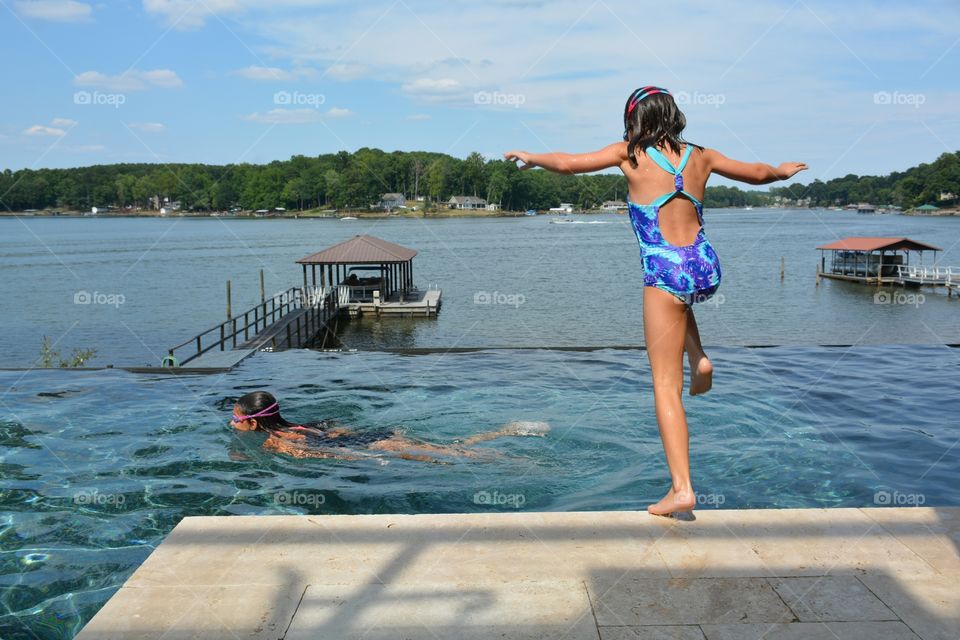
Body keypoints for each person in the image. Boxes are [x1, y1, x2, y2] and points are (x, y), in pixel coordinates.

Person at [504, 86, 807, 516]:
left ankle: (682, 488)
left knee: (666, 384)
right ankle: (699, 356)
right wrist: (780, 172)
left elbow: (570, 165)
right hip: (704, 264)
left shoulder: (630, 155)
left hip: (664, 267)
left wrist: (532, 157)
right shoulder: (702, 155)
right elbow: (755, 173)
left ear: (634, 120)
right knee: (680, 304)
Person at [229, 390, 550, 463]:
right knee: (451, 448)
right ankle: (507, 431)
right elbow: (335, 434)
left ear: (253, 422)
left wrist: (370, 459)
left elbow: (326, 456)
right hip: (376, 437)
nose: (233, 423)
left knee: (453, 457)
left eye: (236, 419)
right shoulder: (300, 426)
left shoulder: (277, 442)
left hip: (376, 447)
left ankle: (517, 461)